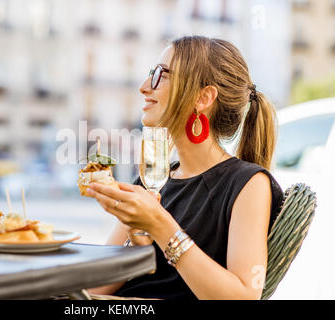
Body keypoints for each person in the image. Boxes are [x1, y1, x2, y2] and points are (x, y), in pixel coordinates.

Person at [85, 36, 284, 300]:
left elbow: (243, 296)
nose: (145, 87)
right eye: (150, 74)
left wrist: (159, 224)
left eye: (161, 75)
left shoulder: (249, 184)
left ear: (203, 97)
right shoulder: (151, 180)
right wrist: (137, 245)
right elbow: (90, 292)